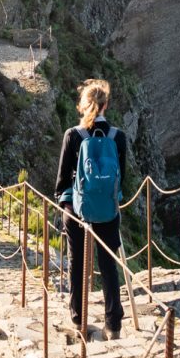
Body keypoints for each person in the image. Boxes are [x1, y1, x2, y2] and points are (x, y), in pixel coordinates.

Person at [55, 77, 129, 340]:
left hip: (76, 209)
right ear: (105, 105)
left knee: (77, 263)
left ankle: (79, 319)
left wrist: (66, 204)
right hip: (108, 210)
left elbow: (62, 180)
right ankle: (114, 324)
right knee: (108, 263)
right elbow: (123, 177)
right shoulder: (117, 137)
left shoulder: (73, 135)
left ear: (82, 105)